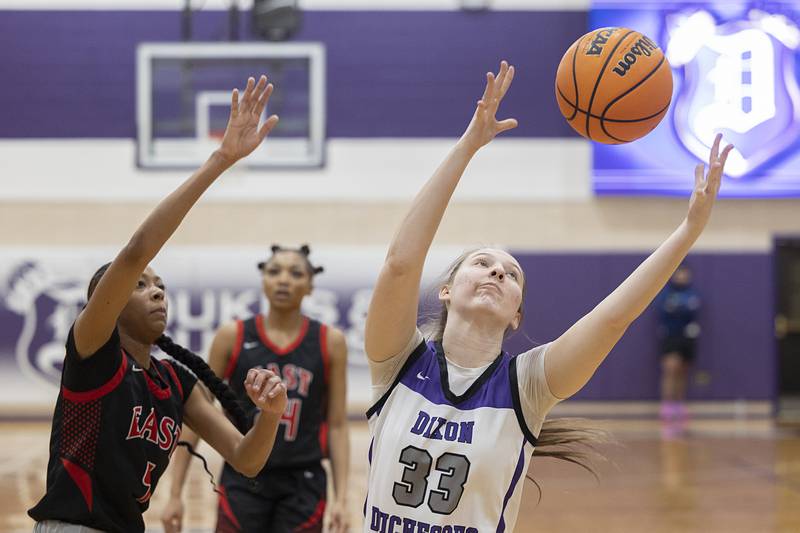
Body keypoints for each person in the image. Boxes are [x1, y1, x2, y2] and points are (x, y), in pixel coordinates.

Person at [362, 61, 732, 532]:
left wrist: (687, 231)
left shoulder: (527, 386)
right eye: (482, 262)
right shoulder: (397, 364)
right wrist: (468, 146)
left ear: (516, 315)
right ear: (447, 290)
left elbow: (612, 319)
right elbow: (399, 263)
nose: (497, 269)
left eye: (511, 273)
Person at [28, 75, 289, 533]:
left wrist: (269, 416)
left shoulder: (173, 383)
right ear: (103, 303)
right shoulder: (93, 353)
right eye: (141, 285)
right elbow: (134, 252)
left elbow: (247, 460)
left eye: (161, 285)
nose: (156, 290)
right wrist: (221, 160)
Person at [162, 245, 350, 533]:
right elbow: (197, 412)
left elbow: (336, 425)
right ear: (263, 280)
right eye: (274, 271)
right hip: (242, 478)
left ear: (310, 285)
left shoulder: (330, 342)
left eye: (296, 273)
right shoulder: (231, 337)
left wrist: (342, 498)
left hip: (304, 481)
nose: (284, 279)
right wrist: (174, 493)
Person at [657, 263, 701, 430]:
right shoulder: (667, 293)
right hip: (671, 337)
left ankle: (679, 405)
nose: (682, 276)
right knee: (670, 369)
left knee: (683, 371)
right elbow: (665, 311)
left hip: (687, 338)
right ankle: (667, 406)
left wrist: (680, 309)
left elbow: (692, 310)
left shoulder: (692, 293)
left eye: (685, 273)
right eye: (679, 273)